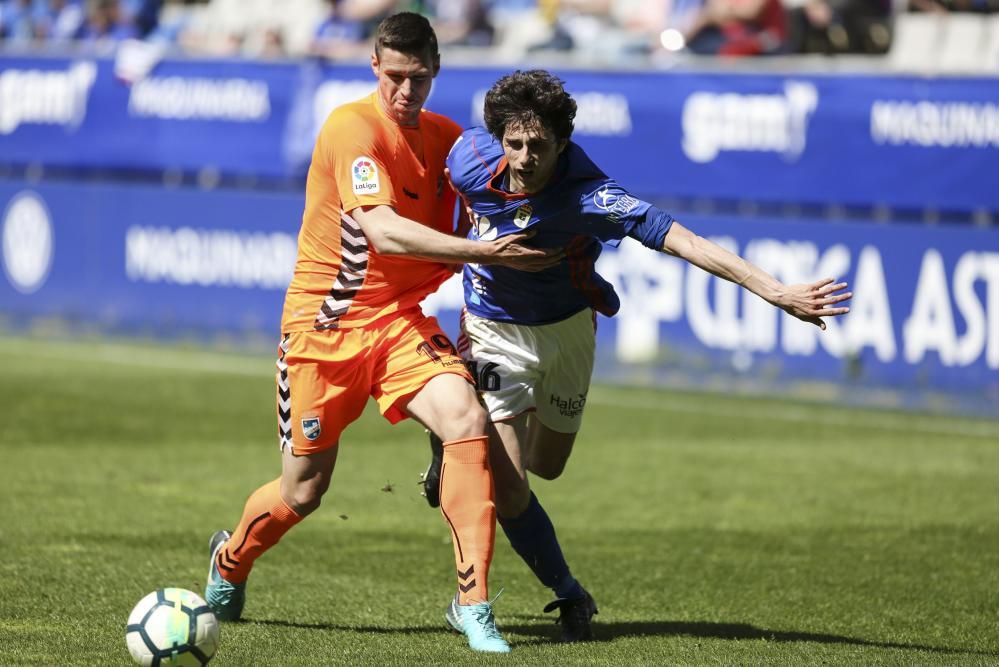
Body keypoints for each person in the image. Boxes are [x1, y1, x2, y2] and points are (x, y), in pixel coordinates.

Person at [419, 69, 852, 642]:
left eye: (538, 146)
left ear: (562, 143)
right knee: (507, 481)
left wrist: (774, 291)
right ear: (498, 137)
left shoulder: (591, 196)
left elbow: (687, 241)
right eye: (514, 143)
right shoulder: (469, 156)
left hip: (569, 329)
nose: (524, 157)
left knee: (548, 465)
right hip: (493, 329)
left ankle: (457, 446)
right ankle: (565, 588)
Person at [203, 15, 561, 655]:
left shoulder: (452, 142)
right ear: (375, 66)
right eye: (394, 76)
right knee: (304, 489)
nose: (405, 91)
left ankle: (472, 603)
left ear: (435, 71)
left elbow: (523, 180)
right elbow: (385, 230)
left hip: (398, 323)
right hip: (325, 329)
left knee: (465, 419)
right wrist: (487, 255)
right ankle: (230, 560)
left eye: (418, 78)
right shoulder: (352, 127)